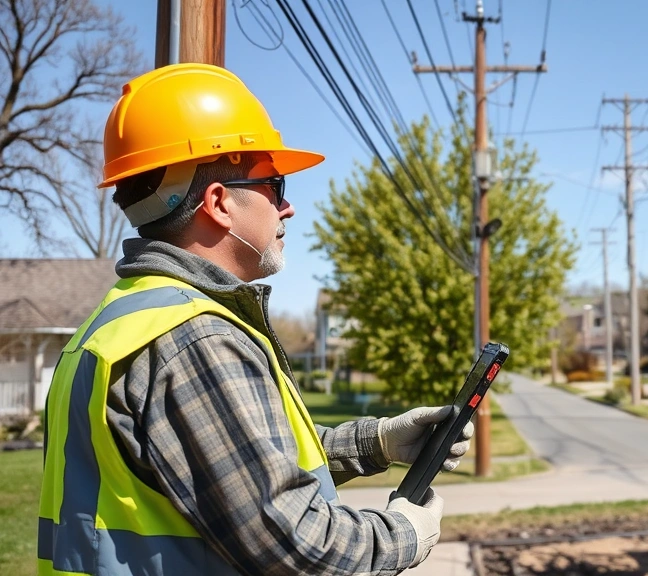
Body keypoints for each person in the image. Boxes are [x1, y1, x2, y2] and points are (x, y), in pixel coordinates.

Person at [37, 63, 472, 575]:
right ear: (219, 203)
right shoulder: (193, 339)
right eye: (275, 185)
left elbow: (230, 467)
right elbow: (294, 543)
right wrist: (403, 534)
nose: (287, 208)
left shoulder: (123, 319)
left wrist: (376, 443)